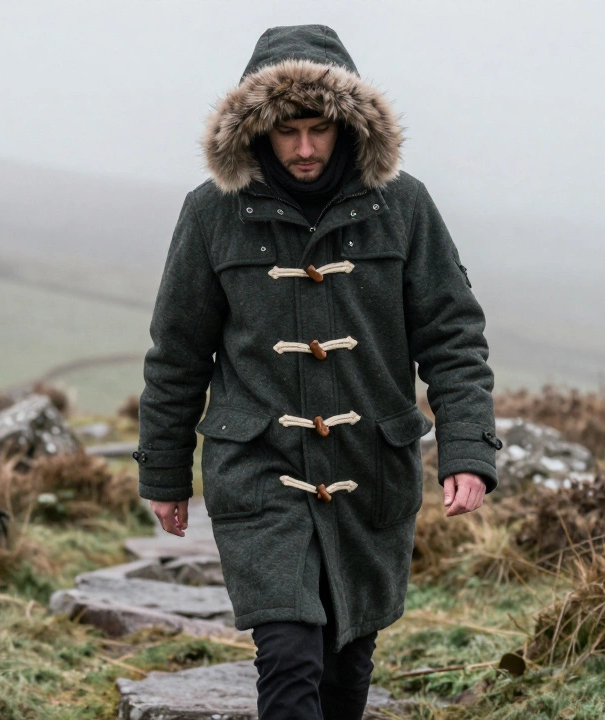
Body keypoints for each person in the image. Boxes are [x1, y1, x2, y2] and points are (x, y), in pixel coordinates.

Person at [131, 24, 502, 720]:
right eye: (287, 130)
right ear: (258, 129)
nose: (304, 148)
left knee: (345, 658)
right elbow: (177, 355)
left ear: (347, 125)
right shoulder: (211, 214)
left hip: (370, 469)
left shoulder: (405, 206)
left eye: (319, 129)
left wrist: (468, 451)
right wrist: (164, 473)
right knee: (290, 652)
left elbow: (453, 335)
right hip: (259, 468)